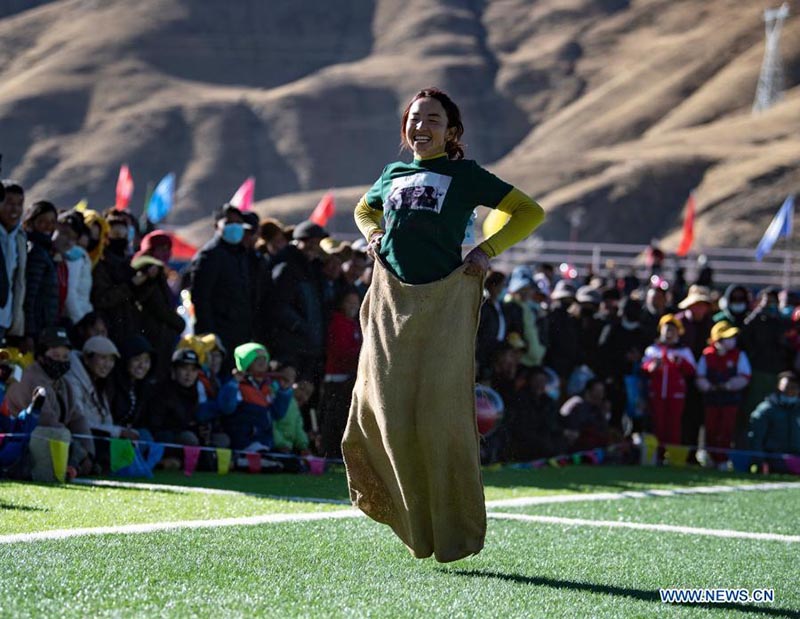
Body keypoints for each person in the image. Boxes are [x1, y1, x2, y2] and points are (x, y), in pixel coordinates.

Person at [344, 87, 544, 562]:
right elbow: (363, 209)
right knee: (385, 412)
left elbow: (528, 211)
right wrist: (373, 234)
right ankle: (408, 519)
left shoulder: (465, 175)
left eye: (433, 119)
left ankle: (453, 527)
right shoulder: (393, 174)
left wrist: (486, 251)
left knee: (437, 417)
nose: (421, 126)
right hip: (391, 302)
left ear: (451, 131)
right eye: (414, 118)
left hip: (444, 302)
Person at [5, 326, 95, 479]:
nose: (60, 361)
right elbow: (46, 420)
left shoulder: (64, 384)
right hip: (24, 444)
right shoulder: (29, 378)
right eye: (55, 355)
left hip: (58, 441)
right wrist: (77, 450)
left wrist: (89, 452)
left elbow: (77, 418)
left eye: (65, 357)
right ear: (41, 355)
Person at [188, 204, 253, 375]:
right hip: (219, 334)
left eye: (239, 223)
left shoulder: (240, 255)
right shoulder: (209, 256)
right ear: (217, 226)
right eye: (230, 223)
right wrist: (210, 336)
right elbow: (201, 299)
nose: (235, 227)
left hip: (240, 333)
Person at [268, 220, 328, 384]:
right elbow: (277, 306)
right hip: (290, 348)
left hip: (309, 347)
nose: (315, 247)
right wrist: (301, 326)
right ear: (300, 242)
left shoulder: (313, 269)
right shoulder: (286, 268)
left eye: (317, 243)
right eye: (311, 243)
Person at [64, 335, 125, 470]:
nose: (108, 364)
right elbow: (79, 419)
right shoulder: (72, 379)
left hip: (97, 434)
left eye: (111, 359)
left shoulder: (99, 380)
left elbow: (106, 419)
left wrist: (118, 432)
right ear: (87, 358)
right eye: (103, 358)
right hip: (78, 435)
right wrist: (118, 432)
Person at [218, 343, 294, 451]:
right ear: (247, 363)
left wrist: (284, 391)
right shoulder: (237, 385)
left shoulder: (268, 387)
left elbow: (277, 414)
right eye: (257, 359)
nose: (262, 362)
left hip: (265, 442)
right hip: (244, 442)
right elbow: (226, 408)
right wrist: (234, 383)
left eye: (264, 359)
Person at [696, 321, 751, 464]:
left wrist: (728, 385)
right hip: (712, 399)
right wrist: (709, 387)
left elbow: (745, 375)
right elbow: (700, 376)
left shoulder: (738, 355)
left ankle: (723, 460)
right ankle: (710, 458)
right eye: (728, 337)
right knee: (711, 428)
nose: (732, 340)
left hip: (730, 399)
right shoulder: (707, 355)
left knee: (727, 429)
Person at [641, 314, 696, 453]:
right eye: (667, 329)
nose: (669, 333)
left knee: (674, 425)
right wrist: (652, 366)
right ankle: (657, 454)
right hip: (657, 393)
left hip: (675, 394)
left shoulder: (684, 351)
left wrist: (681, 363)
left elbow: (692, 370)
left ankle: (673, 455)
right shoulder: (653, 349)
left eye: (673, 329)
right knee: (657, 423)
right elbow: (645, 366)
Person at [319, 290, 361, 458]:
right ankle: (330, 455)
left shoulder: (353, 323)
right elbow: (340, 351)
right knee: (333, 420)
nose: (353, 306)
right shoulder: (338, 322)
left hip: (348, 378)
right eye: (349, 302)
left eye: (355, 303)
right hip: (337, 378)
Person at [22, 201, 59, 351]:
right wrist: (29, 333)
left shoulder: (46, 251)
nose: (48, 226)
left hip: (43, 325)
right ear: (31, 222)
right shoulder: (36, 252)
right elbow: (29, 295)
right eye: (42, 221)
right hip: (36, 327)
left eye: (52, 222)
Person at [747, 371, 800, 472]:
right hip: (774, 459)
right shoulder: (766, 410)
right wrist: (760, 462)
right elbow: (756, 438)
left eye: (794, 388)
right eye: (786, 388)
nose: (790, 392)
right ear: (778, 388)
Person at [0, 180, 27, 342]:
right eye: (9, 203)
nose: (15, 209)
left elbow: (18, 281)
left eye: (19, 204)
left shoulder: (20, 238)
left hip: (5, 319)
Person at [60, 210, 94, 325]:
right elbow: (70, 295)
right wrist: (80, 322)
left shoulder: (78, 255)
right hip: (76, 318)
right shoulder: (74, 256)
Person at [559, 378, 611, 451]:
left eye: (602, 392)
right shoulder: (576, 403)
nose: (600, 395)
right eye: (597, 391)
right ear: (588, 391)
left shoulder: (599, 410)